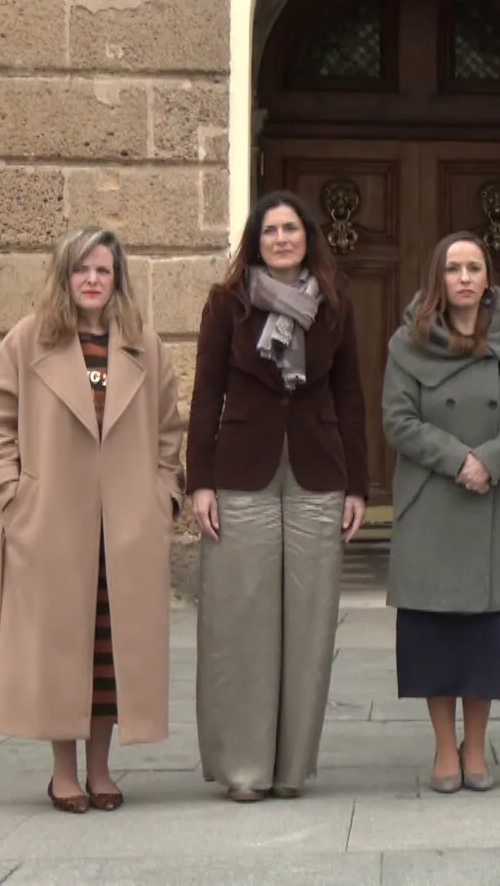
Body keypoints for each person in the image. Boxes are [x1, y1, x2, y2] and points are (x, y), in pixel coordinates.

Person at [0, 226, 186, 813]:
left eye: (103, 270)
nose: (92, 280)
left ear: (118, 280)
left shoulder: (146, 346)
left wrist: (163, 497)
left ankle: (101, 769)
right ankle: (63, 771)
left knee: (109, 651)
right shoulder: (27, 341)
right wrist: (13, 497)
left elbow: (170, 431)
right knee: (58, 650)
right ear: (64, 277)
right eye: (81, 270)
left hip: (126, 529)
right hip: (52, 526)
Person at [188, 190, 370, 802]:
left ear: (308, 238)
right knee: (241, 618)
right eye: (271, 231)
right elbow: (205, 394)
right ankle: (245, 769)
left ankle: (291, 769)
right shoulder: (227, 305)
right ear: (256, 241)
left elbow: (350, 398)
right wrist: (200, 482)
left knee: (310, 623)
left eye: (292, 228)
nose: (283, 238)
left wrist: (359, 487)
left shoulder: (337, 307)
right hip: (242, 472)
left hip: (318, 473)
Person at [382, 232, 500, 794]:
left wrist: (490, 460)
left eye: (474, 267)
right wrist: (458, 460)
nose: (465, 277)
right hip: (433, 499)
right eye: (453, 268)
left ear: (487, 277)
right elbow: (396, 420)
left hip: (495, 498)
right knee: (435, 633)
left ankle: (477, 745)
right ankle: (444, 746)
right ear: (437, 279)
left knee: (487, 635)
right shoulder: (408, 342)